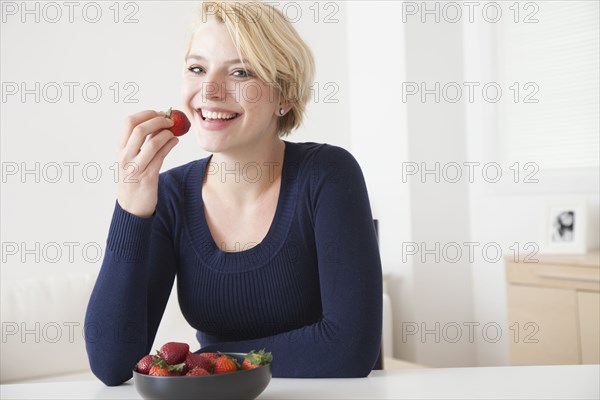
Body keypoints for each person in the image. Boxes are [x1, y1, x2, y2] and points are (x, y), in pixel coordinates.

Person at [84, 0, 382, 386]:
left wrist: (206, 361)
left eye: (240, 72)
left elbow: (349, 351)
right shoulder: (169, 196)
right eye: (197, 68)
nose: (209, 90)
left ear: (285, 96)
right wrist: (131, 207)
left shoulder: (328, 175)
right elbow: (111, 364)